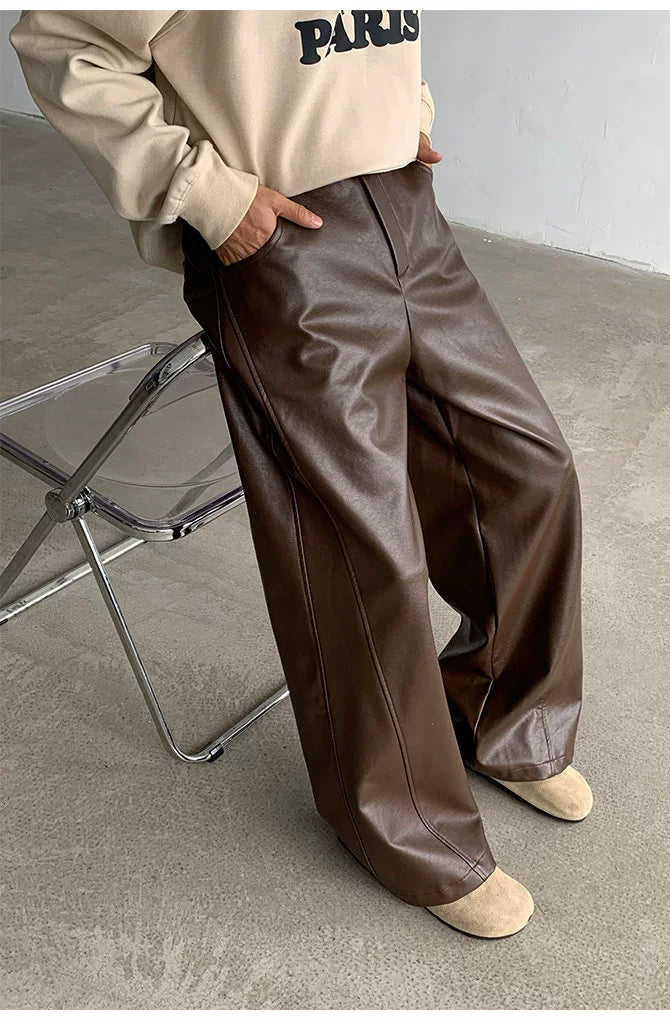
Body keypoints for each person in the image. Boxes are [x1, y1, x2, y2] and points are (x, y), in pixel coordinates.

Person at [10, 9, 593, 939]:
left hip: (409, 207)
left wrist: (406, 111)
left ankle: (499, 712)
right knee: (360, 540)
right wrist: (206, 194)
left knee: (529, 471)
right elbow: (60, 42)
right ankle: (400, 824)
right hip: (283, 230)